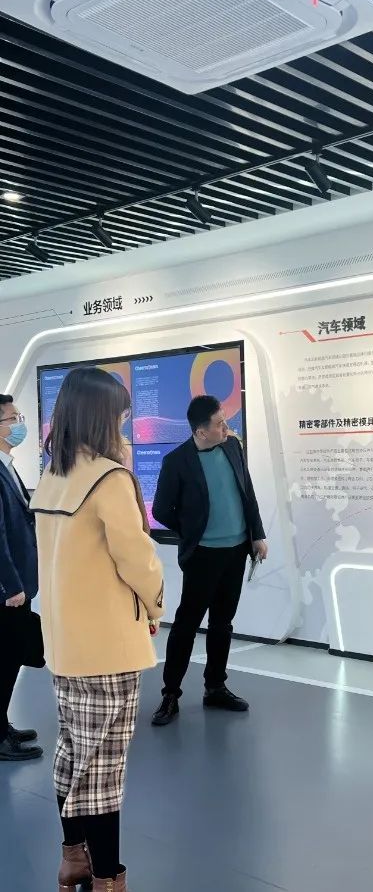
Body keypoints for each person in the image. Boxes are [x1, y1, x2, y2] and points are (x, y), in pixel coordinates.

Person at [29, 367, 164, 891]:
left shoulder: (53, 473)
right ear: (102, 416)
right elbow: (137, 559)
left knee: (72, 753)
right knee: (104, 769)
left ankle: (73, 859)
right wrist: (154, 604)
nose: (125, 422)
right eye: (121, 414)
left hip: (65, 644)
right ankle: (108, 878)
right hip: (108, 646)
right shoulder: (109, 478)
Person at [151, 395, 267, 725]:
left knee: (222, 623)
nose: (226, 428)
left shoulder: (232, 447)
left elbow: (247, 492)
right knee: (186, 625)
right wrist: (193, 530)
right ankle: (170, 694)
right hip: (202, 556)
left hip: (236, 551)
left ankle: (215, 687)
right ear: (201, 432)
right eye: (220, 424)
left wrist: (257, 534)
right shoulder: (177, 462)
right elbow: (161, 510)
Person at [0, 394, 43, 762]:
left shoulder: (7, 465)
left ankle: (2, 725)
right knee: (4, 658)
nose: (19, 425)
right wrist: (11, 586)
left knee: (11, 657)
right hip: (8, 589)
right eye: (12, 419)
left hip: (17, 583)